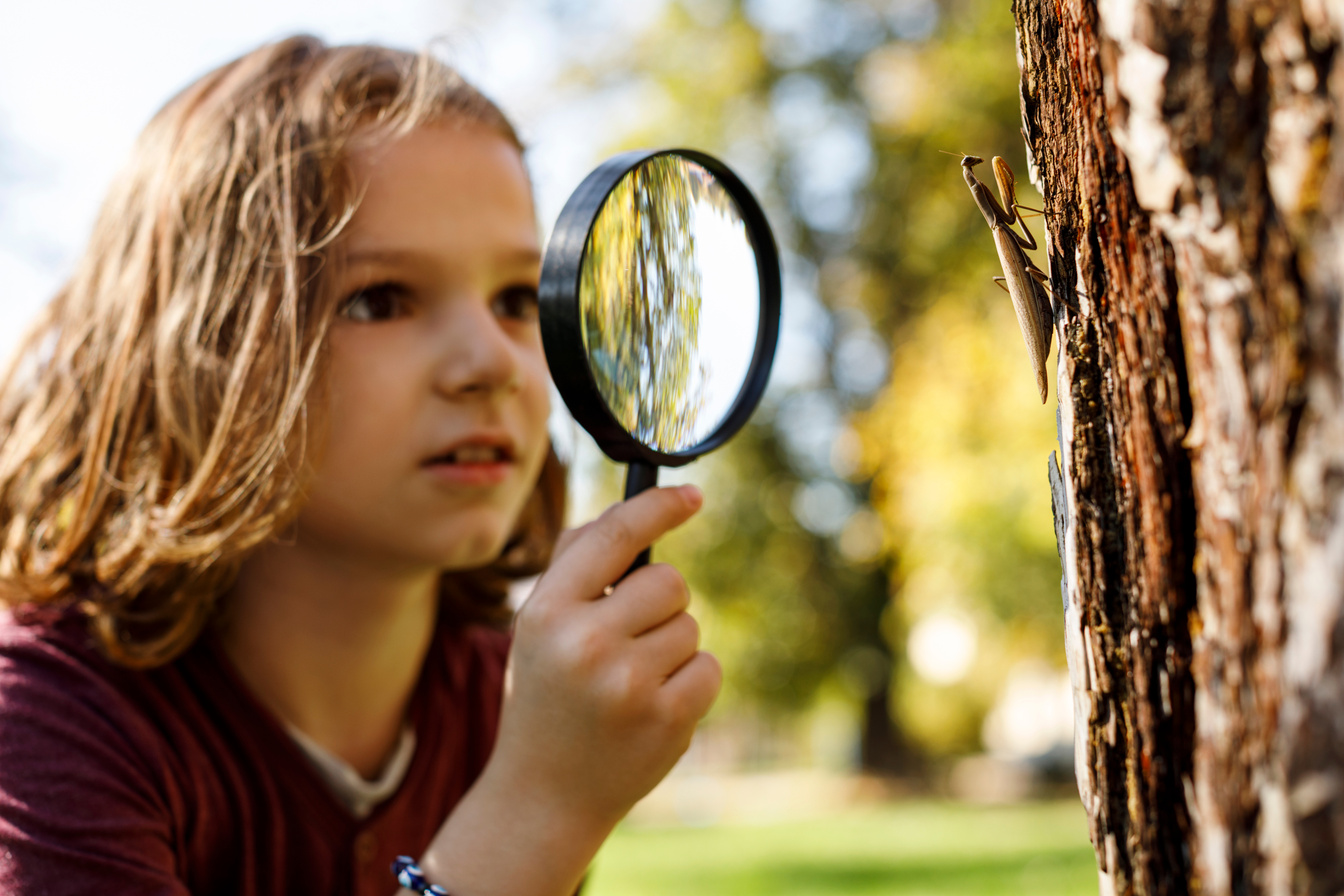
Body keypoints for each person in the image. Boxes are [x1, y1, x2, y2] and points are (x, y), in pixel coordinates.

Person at [0, 35, 720, 896]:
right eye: (380, 299)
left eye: (518, 299)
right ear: (203, 350)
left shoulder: (512, 701)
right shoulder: (45, 720)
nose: (490, 362)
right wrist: (537, 812)